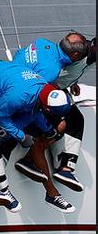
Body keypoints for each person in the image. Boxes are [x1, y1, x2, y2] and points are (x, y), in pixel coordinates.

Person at [0, 60, 74, 213]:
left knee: (29, 126)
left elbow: (35, 111)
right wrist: (21, 136)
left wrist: (48, 129)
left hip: (9, 78)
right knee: (1, 135)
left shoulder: (43, 89)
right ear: (47, 107)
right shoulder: (20, 96)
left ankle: (28, 166)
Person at [11, 33, 90, 192]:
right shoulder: (51, 70)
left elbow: (19, 55)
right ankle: (33, 161)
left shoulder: (42, 42)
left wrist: (69, 83)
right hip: (19, 105)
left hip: (10, 78)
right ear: (75, 55)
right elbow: (37, 95)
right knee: (64, 121)